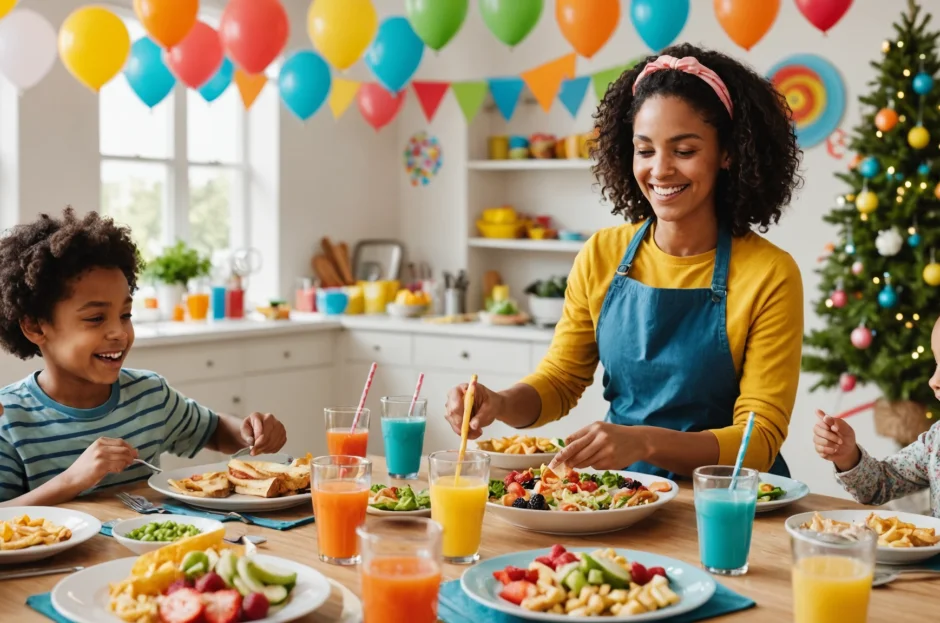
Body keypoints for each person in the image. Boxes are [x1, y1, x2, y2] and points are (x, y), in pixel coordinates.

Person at [445, 43, 804, 479]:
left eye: (685, 151)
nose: (661, 169)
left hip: (729, 502)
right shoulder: (602, 254)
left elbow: (758, 440)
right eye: (645, 149)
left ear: (728, 153)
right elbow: (560, 381)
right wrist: (498, 403)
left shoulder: (769, 273)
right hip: (627, 493)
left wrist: (645, 440)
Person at [0, 208, 288, 506]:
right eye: (96, 318)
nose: (119, 333)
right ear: (35, 326)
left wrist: (250, 433)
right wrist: (73, 480)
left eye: (125, 315)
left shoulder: (149, 395)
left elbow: (214, 431)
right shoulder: (9, 419)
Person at [814, 316, 940, 517]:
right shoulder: (936, 441)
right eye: (936, 363)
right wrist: (848, 455)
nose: (934, 380)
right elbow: (880, 484)